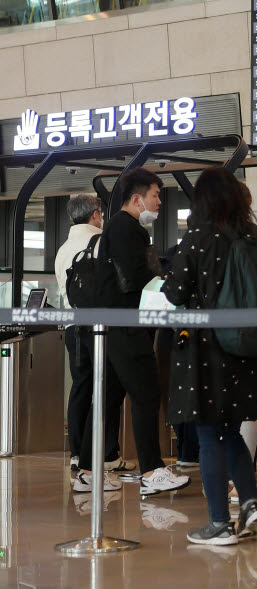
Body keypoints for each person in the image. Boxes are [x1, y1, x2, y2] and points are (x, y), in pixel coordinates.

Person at [162, 167, 257, 546]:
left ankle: (218, 523)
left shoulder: (199, 236)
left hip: (208, 352)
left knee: (209, 434)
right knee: (229, 430)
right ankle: (249, 503)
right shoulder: (256, 236)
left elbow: (176, 292)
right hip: (248, 352)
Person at [76, 169, 190, 497]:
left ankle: (86, 471)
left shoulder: (115, 227)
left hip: (111, 326)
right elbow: (135, 277)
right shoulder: (128, 229)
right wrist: (166, 275)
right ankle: (152, 471)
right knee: (146, 394)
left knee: (109, 400)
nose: (158, 202)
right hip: (126, 326)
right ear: (138, 198)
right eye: (155, 195)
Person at [54, 194, 128, 474]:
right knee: (108, 390)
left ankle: (77, 454)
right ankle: (106, 453)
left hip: (74, 327)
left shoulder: (63, 249)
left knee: (81, 388)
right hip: (100, 327)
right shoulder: (99, 242)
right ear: (96, 214)